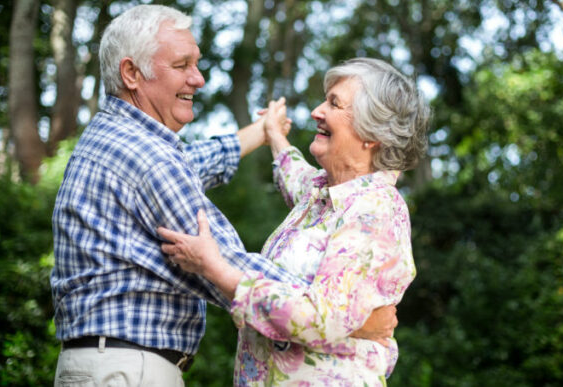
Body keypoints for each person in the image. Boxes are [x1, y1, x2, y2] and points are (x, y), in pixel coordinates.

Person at [50, 5, 393, 386]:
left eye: (196, 64)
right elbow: (223, 261)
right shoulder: (149, 159)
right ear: (131, 73)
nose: (197, 78)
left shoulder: (118, 138)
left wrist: (266, 133)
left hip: (108, 365)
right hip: (128, 370)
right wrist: (343, 315)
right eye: (181, 65)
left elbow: (192, 162)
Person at [158, 57, 431, 386]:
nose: (317, 110)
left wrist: (214, 268)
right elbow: (294, 175)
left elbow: (321, 319)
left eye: (334, 103)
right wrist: (274, 135)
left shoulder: (374, 208)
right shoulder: (321, 194)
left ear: (371, 134)